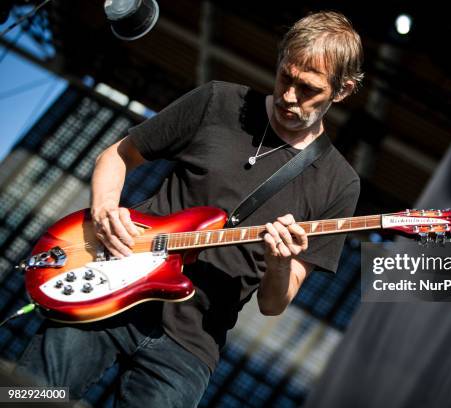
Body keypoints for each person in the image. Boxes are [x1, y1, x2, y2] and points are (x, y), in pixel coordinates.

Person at [14, 10, 363, 407]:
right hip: (108, 287)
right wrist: (105, 209)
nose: (288, 96)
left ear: (343, 90)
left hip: (189, 347)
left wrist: (280, 261)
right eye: (286, 75)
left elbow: (273, 303)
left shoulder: (339, 182)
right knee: (28, 393)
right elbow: (118, 155)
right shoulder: (219, 101)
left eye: (308, 89)